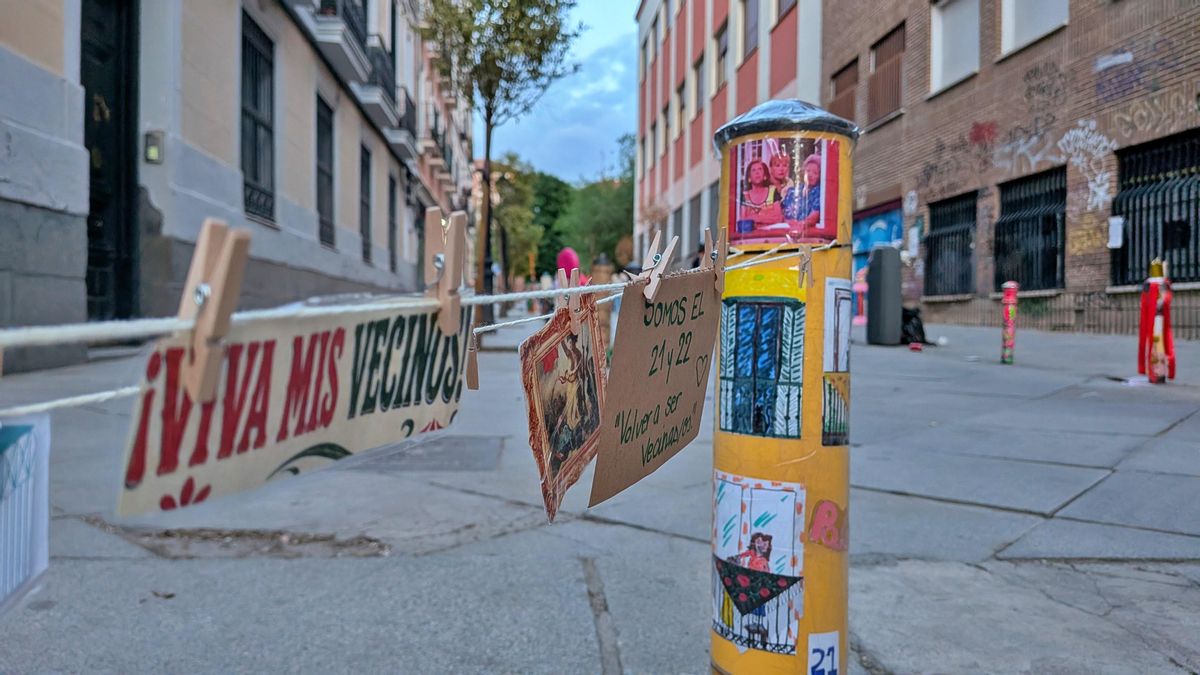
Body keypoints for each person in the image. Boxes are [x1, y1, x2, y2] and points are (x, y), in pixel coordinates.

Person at [737, 160, 783, 232]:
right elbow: (744, 221)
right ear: (749, 177)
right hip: (752, 237)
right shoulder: (745, 196)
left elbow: (779, 218)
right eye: (753, 170)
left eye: (760, 169)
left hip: (772, 234)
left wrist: (757, 218)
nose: (757, 173)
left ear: (764, 175)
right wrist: (769, 217)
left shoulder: (773, 191)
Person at [782, 153, 822, 233]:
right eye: (808, 171)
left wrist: (801, 224)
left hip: (808, 233)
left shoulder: (820, 192)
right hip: (787, 231)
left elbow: (814, 216)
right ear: (803, 172)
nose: (810, 175)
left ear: (820, 175)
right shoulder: (792, 191)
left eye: (815, 173)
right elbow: (784, 215)